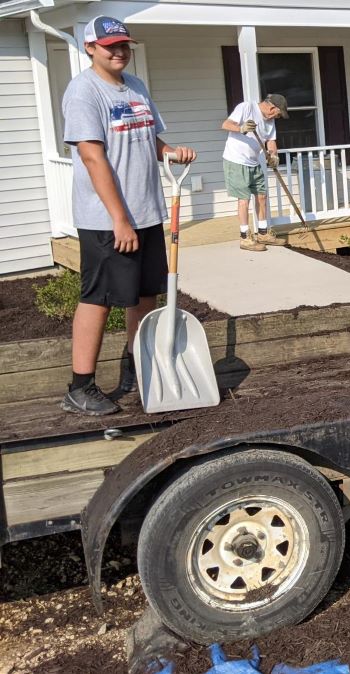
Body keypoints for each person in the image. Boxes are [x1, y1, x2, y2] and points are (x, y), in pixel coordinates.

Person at [60, 16, 196, 415]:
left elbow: (145, 135)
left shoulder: (135, 86)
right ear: (90, 49)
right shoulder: (83, 92)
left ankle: (137, 369)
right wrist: (119, 218)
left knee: (143, 296)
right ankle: (79, 386)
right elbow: (92, 155)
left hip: (147, 211)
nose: (119, 51)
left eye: (124, 45)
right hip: (107, 220)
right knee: (99, 298)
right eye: (109, 46)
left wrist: (169, 151)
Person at [221, 93, 289, 250]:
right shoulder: (247, 107)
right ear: (272, 108)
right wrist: (241, 128)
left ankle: (263, 233)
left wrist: (273, 155)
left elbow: (271, 141)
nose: (277, 117)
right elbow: (225, 124)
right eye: (278, 114)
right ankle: (245, 237)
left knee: (261, 196)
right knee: (244, 200)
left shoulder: (270, 121)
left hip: (254, 162)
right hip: (236, 160)